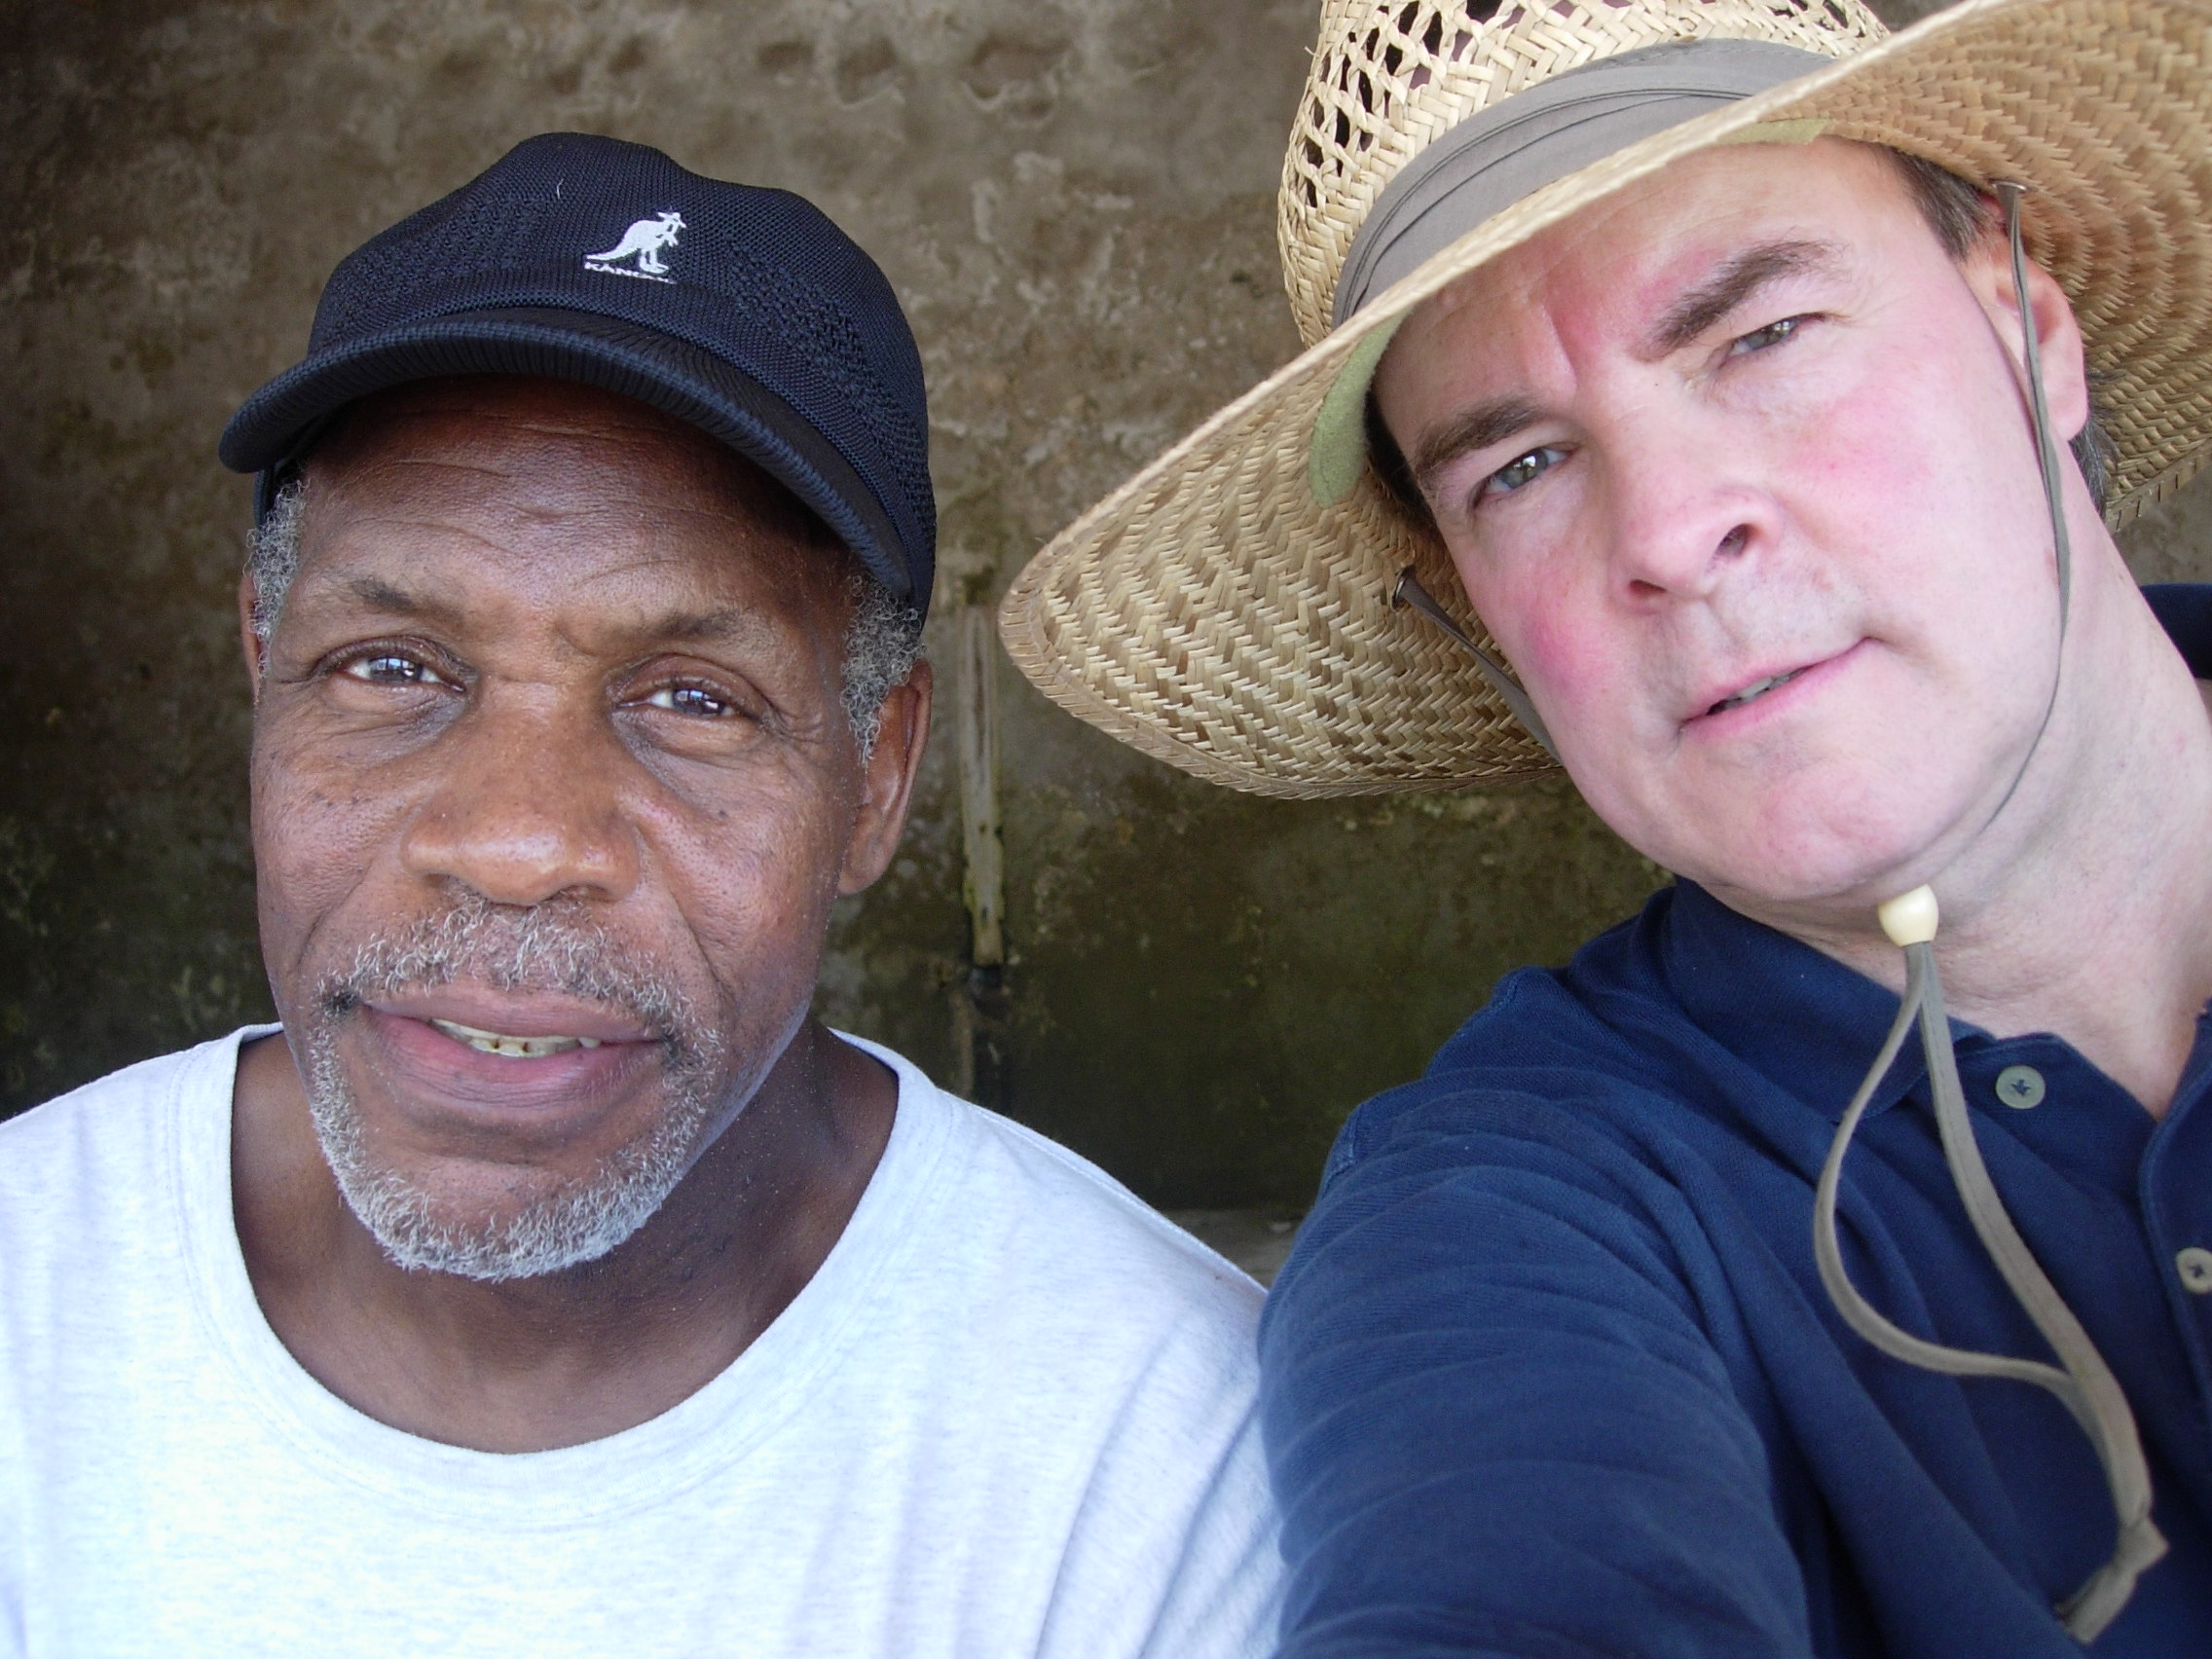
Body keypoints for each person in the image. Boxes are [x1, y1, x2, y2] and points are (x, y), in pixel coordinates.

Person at [997, 0, 2212, 1650]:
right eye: (1520, 469)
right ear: (1476, 621)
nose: (1669, 530)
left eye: (1762, 336)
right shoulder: (1509, 1216)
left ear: (2030, 333)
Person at [0, 131, 1281, 1658]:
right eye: (392, 668)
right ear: (261, 675)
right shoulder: (28, 1301)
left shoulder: (1159, 1460)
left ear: (876, 778)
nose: (518, 842)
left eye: (692, 699)